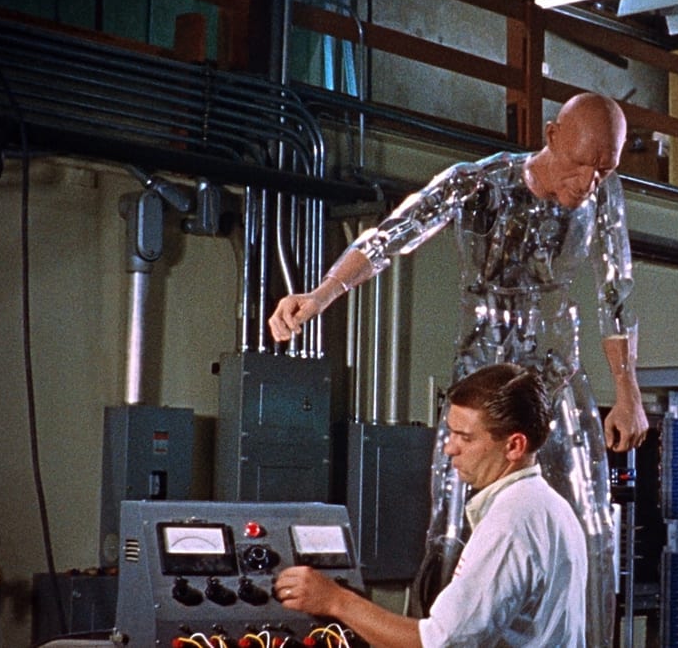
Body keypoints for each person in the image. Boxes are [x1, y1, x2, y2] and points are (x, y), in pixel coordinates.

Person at [268, 91, 650, 647]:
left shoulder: (603, 193)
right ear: (551, 136)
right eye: (580, 164)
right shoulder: (478, 184)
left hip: (557, 378)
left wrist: (627, 389)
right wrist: (322, 294)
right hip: (483, 379)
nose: (589, 181)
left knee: (589, 520)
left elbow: (616, 289)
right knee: (452, 521)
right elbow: (391, 235)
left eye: (604, 169)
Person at [274, 363, 587, 647]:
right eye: (450, 433)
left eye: (465, 437)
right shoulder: (552, 508)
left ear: (514, 445)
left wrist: (335, 601)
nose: (450, 448)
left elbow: (440, 643)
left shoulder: (510, 522)